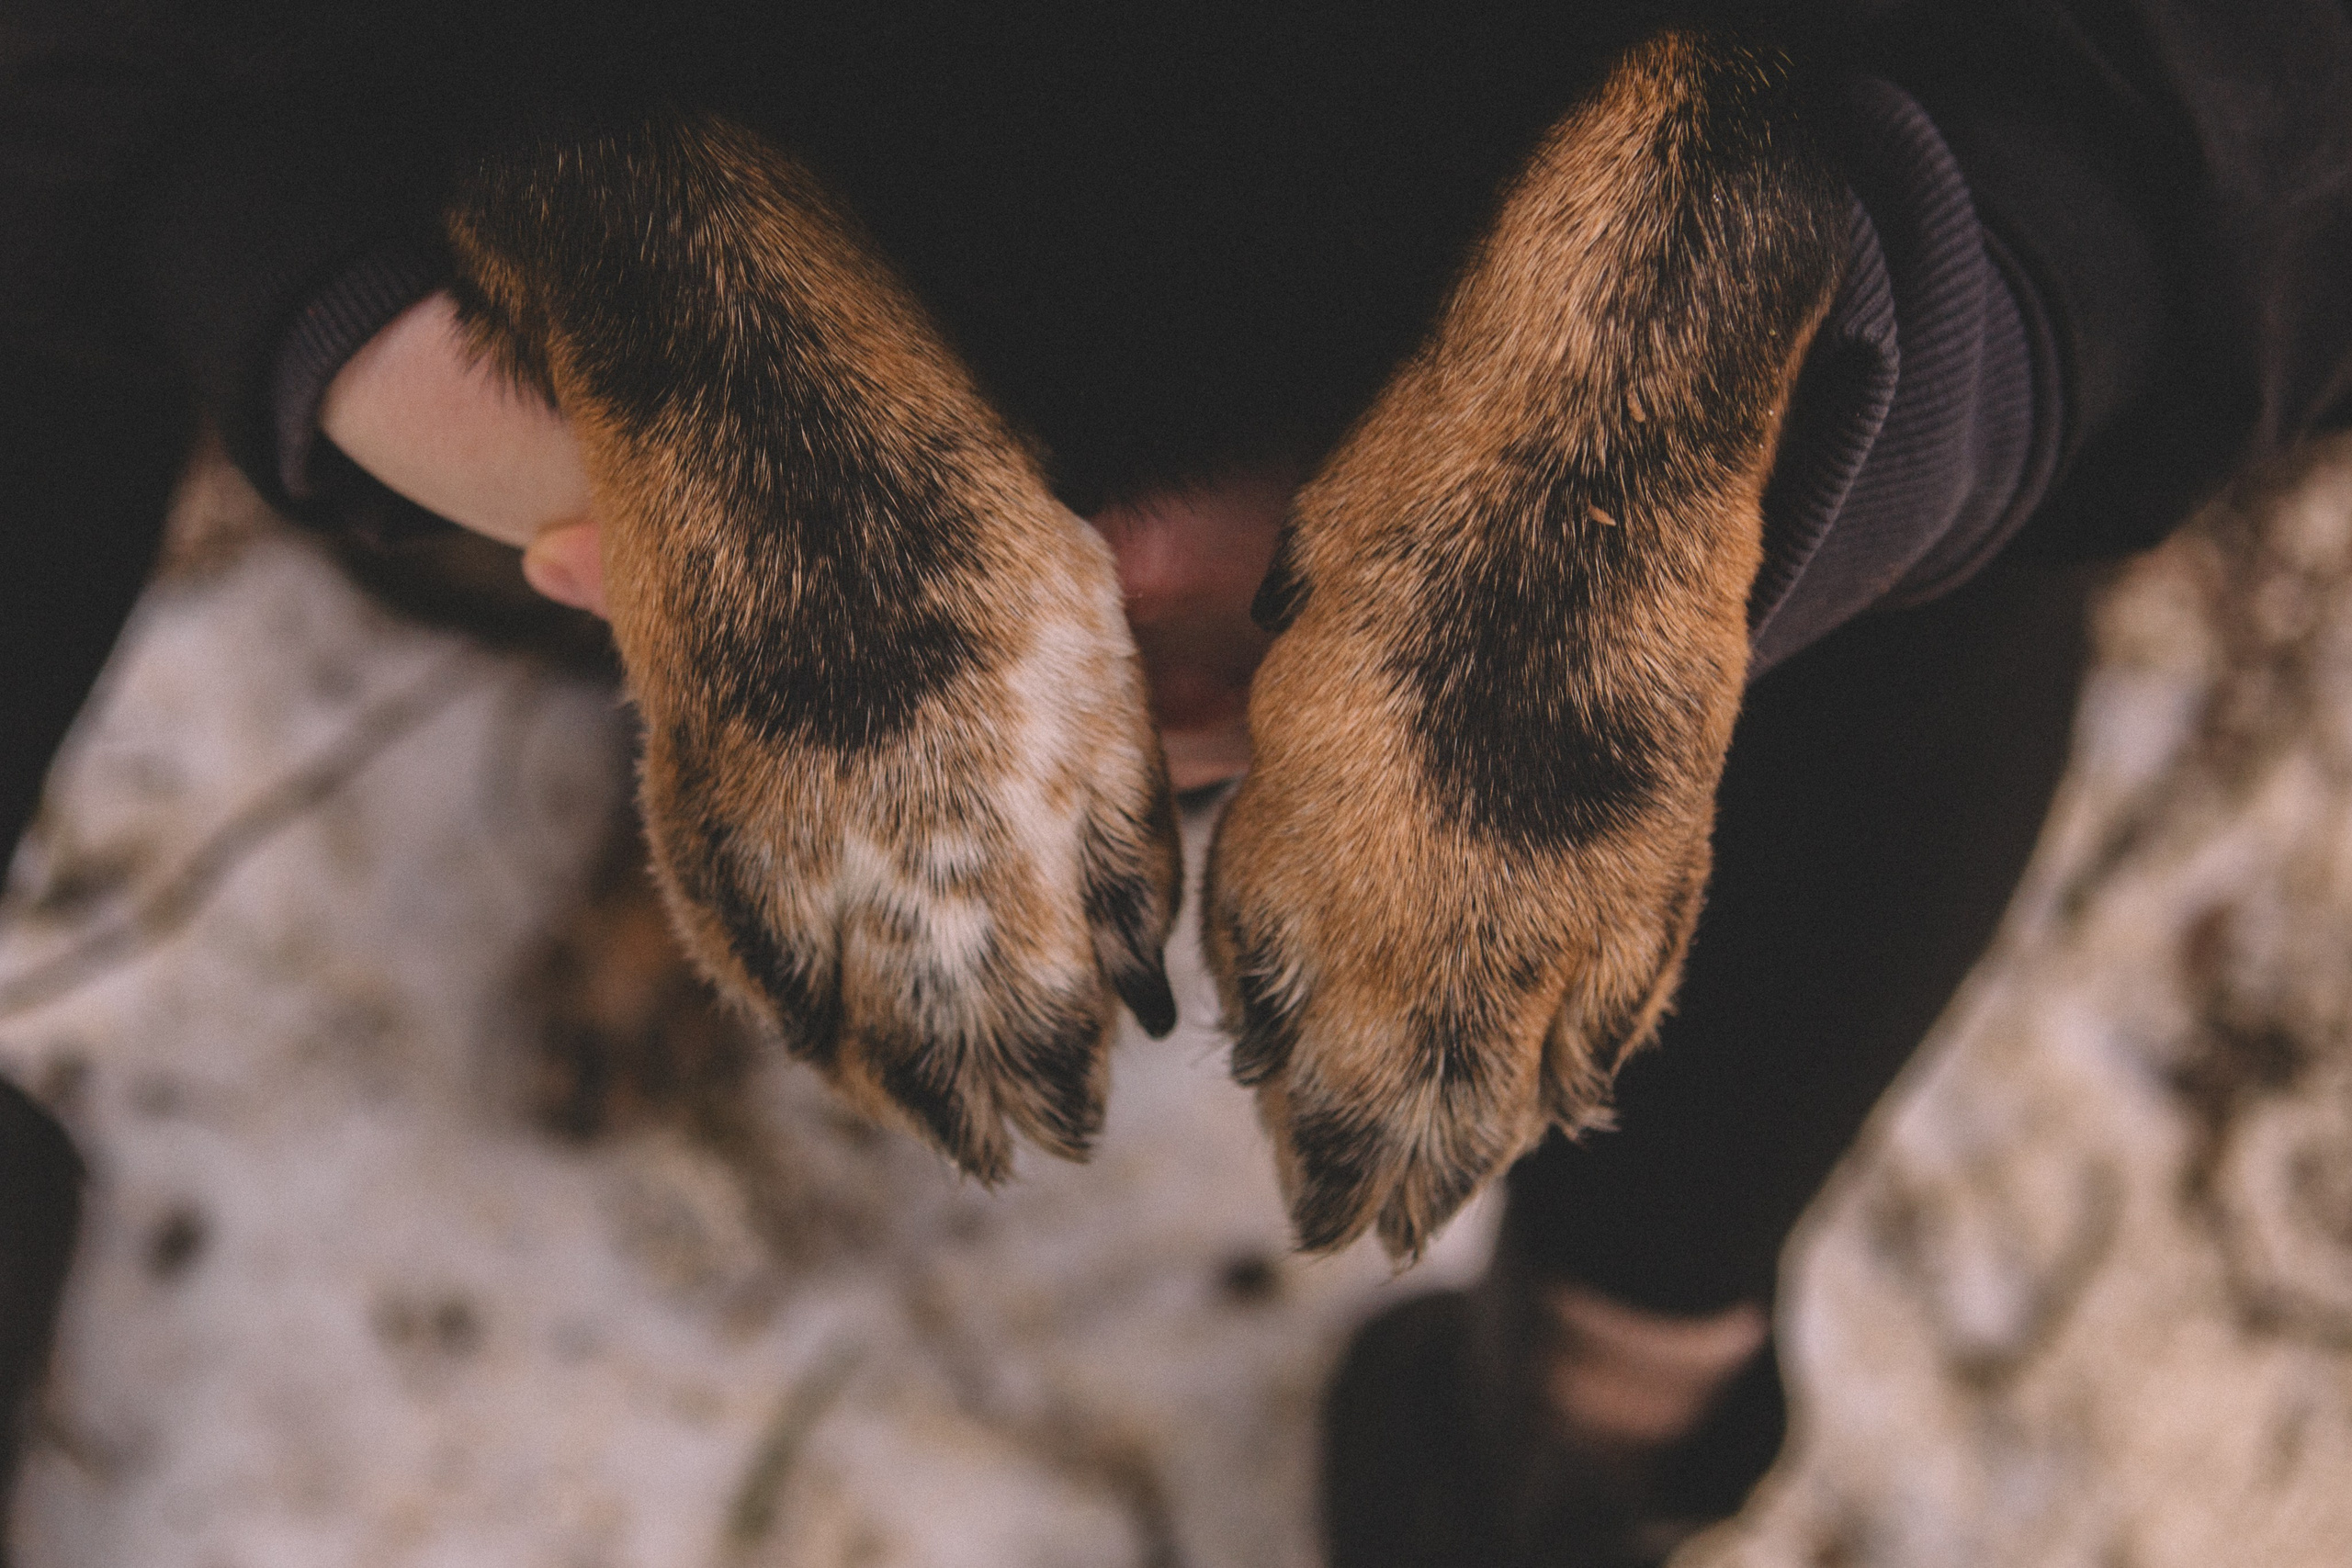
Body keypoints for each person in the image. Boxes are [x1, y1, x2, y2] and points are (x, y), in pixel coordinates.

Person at [6, 5, 2352, 1563]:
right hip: (714, 277)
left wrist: (1908, 295)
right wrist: (323, 280)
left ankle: (1595, 1403)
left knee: (1822, 593)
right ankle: (1604, 1411)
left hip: (1653, 223)